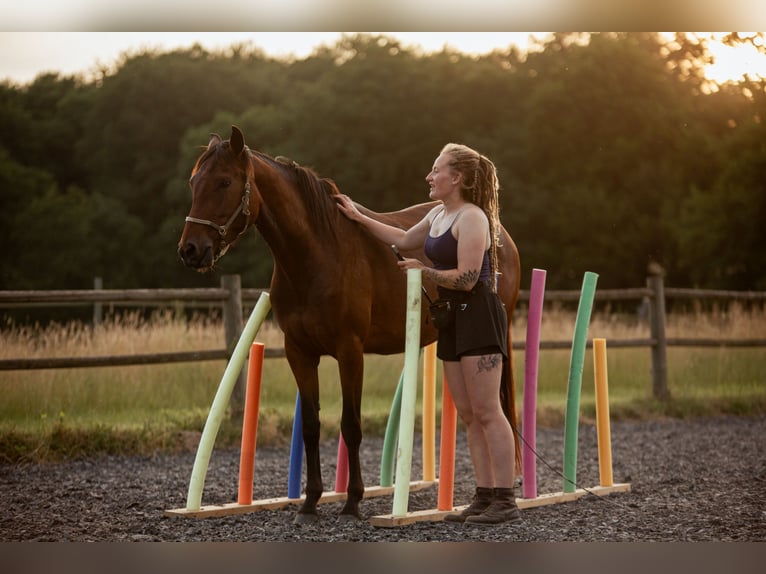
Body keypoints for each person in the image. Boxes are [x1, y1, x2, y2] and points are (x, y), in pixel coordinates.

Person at [335, 143, 520, 525]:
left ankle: (505, 499)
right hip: (451, 318)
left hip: (478, 315)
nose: (429, 177)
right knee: (469, 413)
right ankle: (484, 496)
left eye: (436, 170)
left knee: (487, 410)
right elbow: (400, 239)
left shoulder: (472, 218)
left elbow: (469, 279)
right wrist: (358, 216)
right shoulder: (439, 214)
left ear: (458, 178)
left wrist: (424, 271)